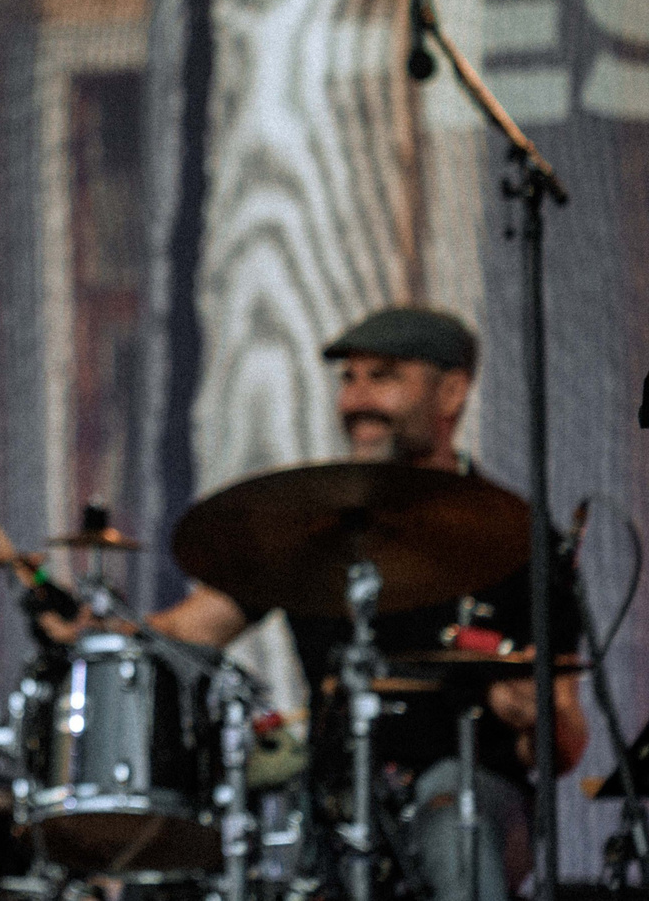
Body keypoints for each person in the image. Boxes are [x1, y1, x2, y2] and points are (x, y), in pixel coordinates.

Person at [140, 306, 586, 901]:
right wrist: (95, 629)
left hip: (476, 793)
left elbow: (564, 746)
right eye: (348, 379)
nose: (355, 400)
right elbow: (189, 630)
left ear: (451, 391)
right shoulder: (315, 528)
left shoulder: (516, 538)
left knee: (455, 823)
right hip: (334, 794)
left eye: (383, 376)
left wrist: (537, 716)